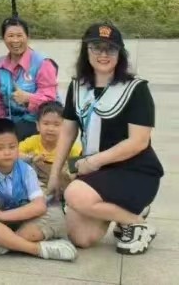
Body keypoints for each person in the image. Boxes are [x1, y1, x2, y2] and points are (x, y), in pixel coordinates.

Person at [50, 23, 163, 255]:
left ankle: (136, 222)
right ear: (86, 51)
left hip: (134, 171)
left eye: (110, 49)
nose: (103, 54)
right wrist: (54, 173)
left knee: (74, 194)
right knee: (80, 237)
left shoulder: (136, 89)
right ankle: (124, 213)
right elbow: (68, 132)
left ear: (120, 53)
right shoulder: (77, 86)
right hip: (97, 173)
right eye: (96, 47)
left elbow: (139, 142)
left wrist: (92, 162)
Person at [0, 118, 77, 261]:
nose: (7, 152)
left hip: (22, 220)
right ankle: (37, 249)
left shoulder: (26, 170)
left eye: (12, 147)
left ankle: (0, 244)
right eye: (0, 148)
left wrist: (2, 215)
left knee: (55, 214)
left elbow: (39, 206)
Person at [0, 17, 58, 140]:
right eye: (10, 36)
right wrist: (0, 124)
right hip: (11, 121)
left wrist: (28, 99)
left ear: (28, 37)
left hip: (36, 121)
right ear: (3, 38)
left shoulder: (42, 63)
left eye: (19, 35)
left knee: (14, 137)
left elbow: (50, 99)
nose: (15, 40)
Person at [20, 101, 81, 194]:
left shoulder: (71, 146)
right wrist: (31, 157)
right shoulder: (32, 141)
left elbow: (79, 166)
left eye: (56, 124)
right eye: (46, 123)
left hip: (63, 184)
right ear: (38, 125)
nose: (50, 129)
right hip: (39, 182)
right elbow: (15, 153)